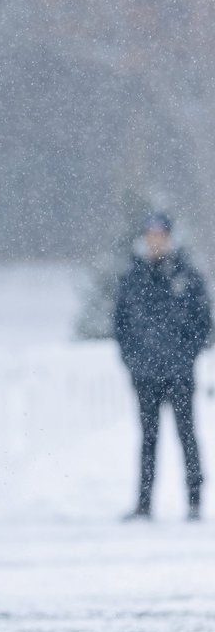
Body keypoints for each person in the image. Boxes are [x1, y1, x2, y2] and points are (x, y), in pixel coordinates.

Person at [114, 213, 211, 521]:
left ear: (170, 238)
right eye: (150, 235)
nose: (155, 241)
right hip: (145, 375)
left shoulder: (187, 277)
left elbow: (204, 324)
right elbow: (121, 326)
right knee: (148, 438)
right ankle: (144, 503)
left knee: (187, 435)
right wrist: (134, 360)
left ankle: (195, 501)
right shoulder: (133, 278)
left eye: (160, 235)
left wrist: (185, 354)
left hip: (180, 374)